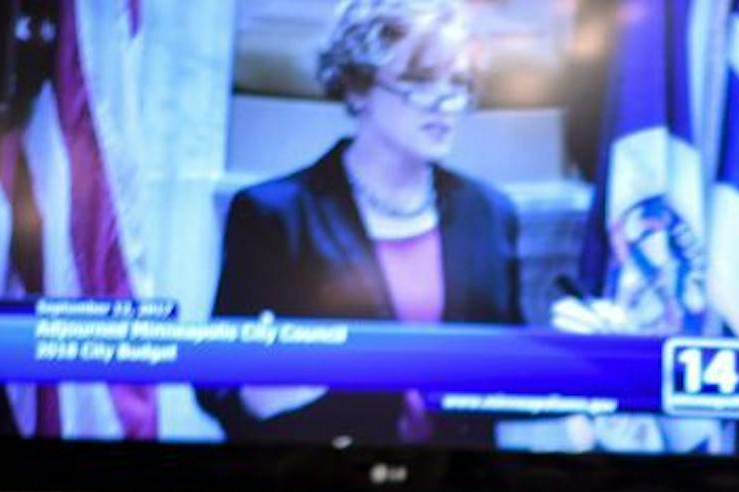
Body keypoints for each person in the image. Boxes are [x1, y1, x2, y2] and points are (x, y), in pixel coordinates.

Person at [198, 0, 523, 444]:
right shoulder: (272, 213)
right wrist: (258, 396)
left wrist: (582, 351)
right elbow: (216, 381)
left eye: (459, 83)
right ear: (357, 88)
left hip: (461, 491)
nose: (446, 102)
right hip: (318, 488)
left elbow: (512, 368)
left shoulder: (489, 212)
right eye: (420, 80)